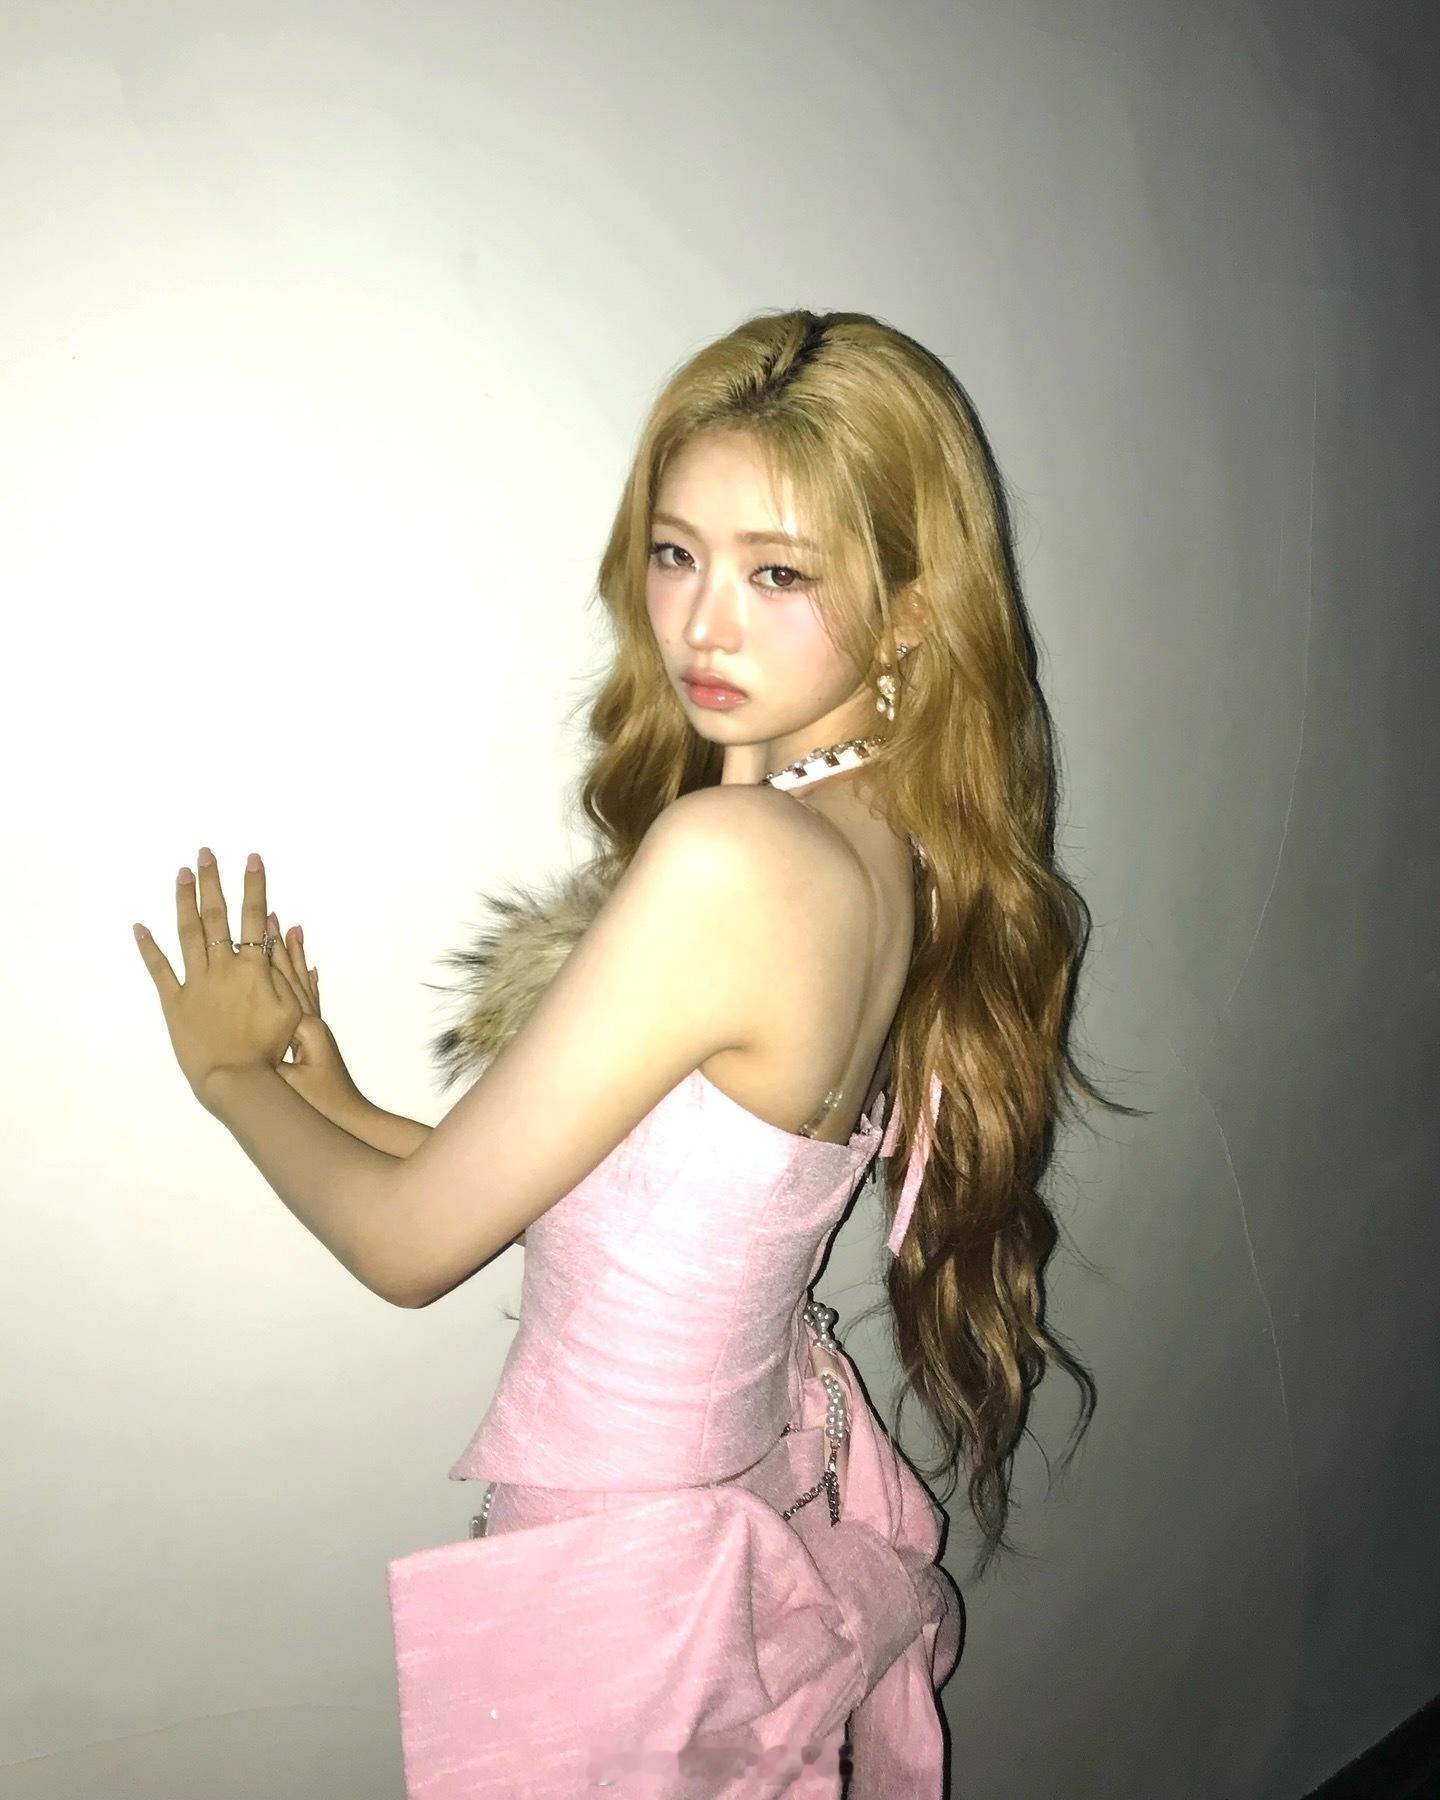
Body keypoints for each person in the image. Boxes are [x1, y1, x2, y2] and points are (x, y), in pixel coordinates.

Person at [137, 307, 1132, 1796]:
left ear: (911, 611)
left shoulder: (733, 859)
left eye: (778, 573)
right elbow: (632, 1201)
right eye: (677, 553)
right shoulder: (882, 845)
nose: (702, 624)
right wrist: (331, 1093)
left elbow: (409, 1250)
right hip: (736, 1502)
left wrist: (227, 1082)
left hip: (627, 1563)